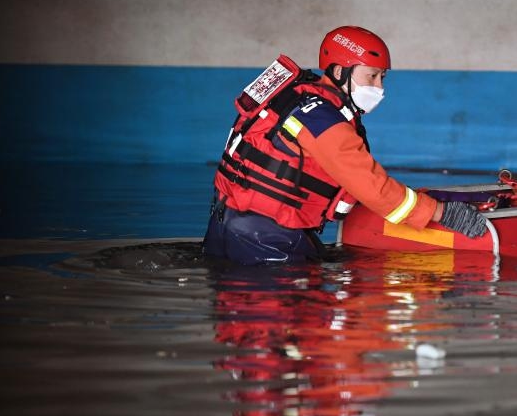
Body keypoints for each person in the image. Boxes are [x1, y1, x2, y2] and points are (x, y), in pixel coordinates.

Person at [204, 25, 490, 264]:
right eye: (372, 76)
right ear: (340, 72)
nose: (379, 88)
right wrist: (441, 213)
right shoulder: (321, 119)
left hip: (227, 224)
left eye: (383, 77)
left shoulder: (297, 99)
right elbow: (369, 184)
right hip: (265, 236)